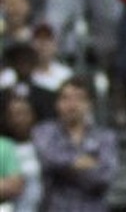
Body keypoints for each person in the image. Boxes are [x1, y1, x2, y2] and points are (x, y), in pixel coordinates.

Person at [32, 76, 118, 212]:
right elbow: (49, 159)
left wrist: (65, 168)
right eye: (65, 98)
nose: (71, 105)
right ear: (57, 103)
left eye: (78, 98)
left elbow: (104, 177)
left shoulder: (105, 137)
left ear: (89, 104)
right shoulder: (44, 132)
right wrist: (86, 163)